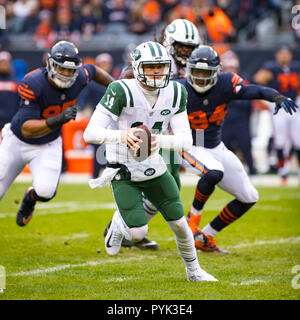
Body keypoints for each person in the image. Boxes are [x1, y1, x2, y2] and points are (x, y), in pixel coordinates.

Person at [83, 41, 217, 282]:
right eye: (151, 66)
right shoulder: (121, 89)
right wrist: (122, 135)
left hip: (154, 164)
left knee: (179, 223)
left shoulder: (176, 92)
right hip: (122, 167)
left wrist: (159, 141)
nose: (157, 71)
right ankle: (117, 225)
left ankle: (194, 272)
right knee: (137, 233)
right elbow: (90, 133)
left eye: (161, 66)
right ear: (137, 68)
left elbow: (186, 139)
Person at [173, 45, 297, 253]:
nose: (202, 78)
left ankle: (206, 236)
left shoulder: (225, 83)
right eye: (198, 72)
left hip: (215, 145)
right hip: (190, 144)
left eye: (207, 73)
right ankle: (192, 217)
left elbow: (253, 90)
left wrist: (276, 96)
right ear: (189, 70)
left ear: (216, 72)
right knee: (213, 172)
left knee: (249, 196)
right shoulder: (177, 88)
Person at [104, 18, 202, 250]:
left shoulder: (187, 67)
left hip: (165, 134)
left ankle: (128, 229)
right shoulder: (148, 62)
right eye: (182, 46)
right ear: (170, 43)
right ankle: (125, 228)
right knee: (158, 184)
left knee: (171, 186)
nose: (186, 51)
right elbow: (125, 94)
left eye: (190, 47)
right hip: (140, 136)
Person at [0, 40, 114, 227]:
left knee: (45, 191)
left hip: (48, 143)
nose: (66, 74)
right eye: (62, 69)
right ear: (51, 65)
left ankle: (30, 198)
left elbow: (93, 71)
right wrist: (58, 120)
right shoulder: (33, 82)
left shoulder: (79, 78)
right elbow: (25, 128)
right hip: (18, 141)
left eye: (70, 70)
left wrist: (117, 88)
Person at [253, 45, 300, 185]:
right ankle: (283, 172)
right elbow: (258, 79)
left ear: (291, 56)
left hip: (295, 106)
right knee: (280, 141)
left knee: (298, 141)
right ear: (277, 55)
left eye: (286, 54)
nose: (284, 56)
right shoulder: (271, 67)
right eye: (281, 54)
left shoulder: (296, 67)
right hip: (279, 107)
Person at [220, 50, 257, 177]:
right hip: (224, 120)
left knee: (246, 146)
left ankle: (252, 172)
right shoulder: (218, 79)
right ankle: (225, 173)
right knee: (224, 148)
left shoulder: (243, 79)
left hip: (241, 119)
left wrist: (230, 98)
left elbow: (247, 101)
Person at [0, 51, 20, 144]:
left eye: (5, 62)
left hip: (10, 125)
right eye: (1, 62)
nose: (4, 65)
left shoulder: (16, 82)